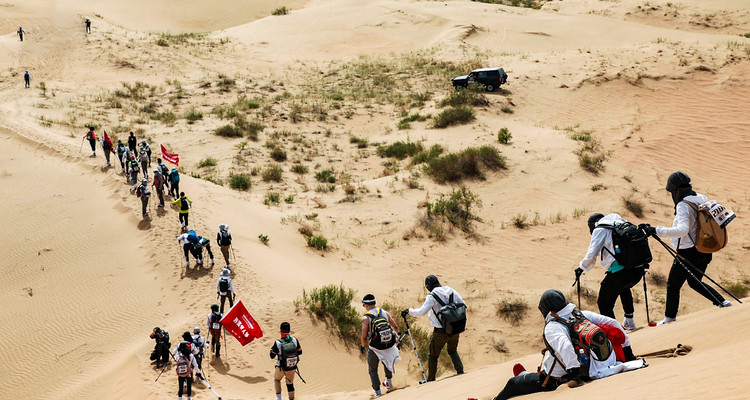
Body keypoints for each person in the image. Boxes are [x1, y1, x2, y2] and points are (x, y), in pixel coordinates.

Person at [489, 289, 642, 400]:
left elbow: (566, 347)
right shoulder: (579, 314)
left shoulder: (553, 326)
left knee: (513, 384)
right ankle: (524, 375)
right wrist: (628, 353)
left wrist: (575, 376)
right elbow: (613, 323)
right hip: (602, 363)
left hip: (556, 379)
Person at [640, 171, 731, 326]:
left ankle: (669, 318)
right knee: (695, 282)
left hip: (688, 252)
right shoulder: (701, 198)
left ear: (675, 190)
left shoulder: (683, 205)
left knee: (673, 285)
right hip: (706, 248)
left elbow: (682, 230)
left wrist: (656, 230)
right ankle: (722, 302)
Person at [577, 213, 645, 329]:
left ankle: (616, 332)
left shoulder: (600, 230)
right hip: (638, 269)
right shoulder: (621, 223)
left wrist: (581, 268)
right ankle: (630, 321)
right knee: (623, 288)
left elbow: (591, 253)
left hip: (620, 272)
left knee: (604, 304)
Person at [402, 275, 464, 381]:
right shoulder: (451, 290)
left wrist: (409, 311)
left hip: (440, 332)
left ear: (428, 286)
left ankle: (431, 380)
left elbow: (421, 312)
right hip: (455, 329)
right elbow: (463, 305)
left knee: (433, 356)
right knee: (453, 351)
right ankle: (461, 372)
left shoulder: (432, 296)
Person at [361, 294, 400, 397]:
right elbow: (395, 326)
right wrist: (398, 337)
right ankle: (389, 382)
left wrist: (362, 346)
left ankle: (378, 392)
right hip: (388, 344)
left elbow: (364, 336)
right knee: (387, 362)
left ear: (365, 305)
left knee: (372, 369)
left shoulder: (366, 318)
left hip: (375, 347)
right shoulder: (385, 313)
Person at [270, 322, 302, 400]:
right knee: (290, 383)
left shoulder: (278, 342)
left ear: (281, 330)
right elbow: (300, 352)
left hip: (282, 367)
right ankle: (291, 399)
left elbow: (272, 356)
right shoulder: (294, 340)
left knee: (277, 380)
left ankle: (279, 399)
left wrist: (274, 351)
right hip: (292, 366)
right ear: (289, 330)